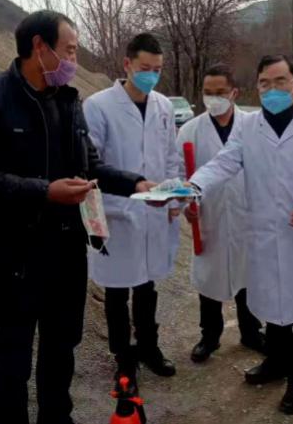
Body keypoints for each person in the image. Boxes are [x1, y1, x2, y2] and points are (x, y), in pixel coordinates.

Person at [0, 10, 156, 424]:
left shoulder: (68, 101)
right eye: (70, 51)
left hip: (67, 250)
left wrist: (137, 183)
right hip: (17, 252)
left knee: (62, 348)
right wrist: (46, 192)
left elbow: (90, 167)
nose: (74, 61)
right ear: (39, 47)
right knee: (13, 353)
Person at [189, 55, 293, 415]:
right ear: (257, 87)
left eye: (280, 81)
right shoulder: (248, 128)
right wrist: (193, 186)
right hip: (266, 236)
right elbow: (223, 163)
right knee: (274, 308)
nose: (273, 89)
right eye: (265, 83)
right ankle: (276, 363)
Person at [82, 33, 180, 393]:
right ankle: (123, 359)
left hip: (153, 212)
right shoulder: (98, 106)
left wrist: (174, 197)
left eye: (157, 69)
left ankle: (149, 348)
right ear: (127, 64)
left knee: (147, 285)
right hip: (116, 214)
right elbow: (90, 163)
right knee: (116, 290)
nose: (151, 75)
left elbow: (171, 156)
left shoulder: (163, 106)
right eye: (145, 68)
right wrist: (96, 219)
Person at [176, 64, 264, 363]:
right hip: (208, 214)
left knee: (248, 277)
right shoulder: (190, 131)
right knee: (209, 278)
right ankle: (209, 336)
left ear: (234, 93)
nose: (213, 99)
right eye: (208, 93)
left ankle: (251, 332)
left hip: (247, 214)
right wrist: (184, 205)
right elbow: (179, 174)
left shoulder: (253, 126)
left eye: (220, 92)